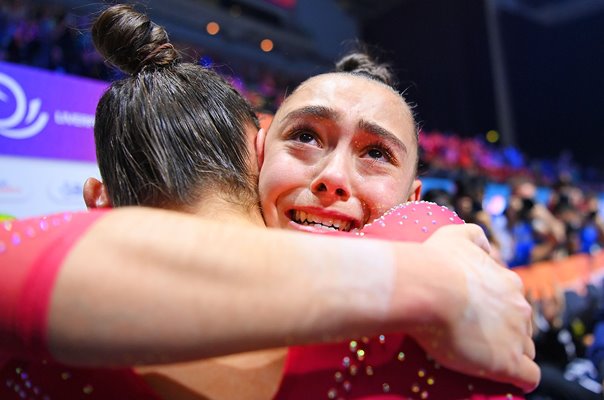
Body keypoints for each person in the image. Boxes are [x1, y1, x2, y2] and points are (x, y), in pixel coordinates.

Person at [0, 4, 537, 398]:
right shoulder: (438, 276)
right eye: (304, 136)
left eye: (377, 153)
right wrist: (433, 284)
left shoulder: (432, 236)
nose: (332, 177)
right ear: (257, 153)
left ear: (414, 197)